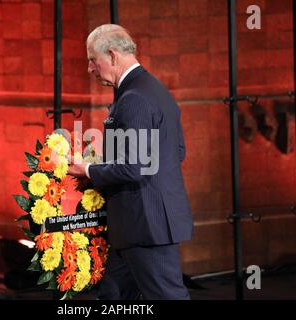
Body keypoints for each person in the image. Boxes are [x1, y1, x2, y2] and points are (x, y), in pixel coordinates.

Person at [68, 24, 193, 300]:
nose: (90, 68)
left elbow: (133, 167)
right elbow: (177, 152)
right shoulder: (154, 90)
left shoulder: (134, 99)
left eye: (92, 59)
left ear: (112, 56)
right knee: (113, 296)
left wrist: (86, 168)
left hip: (146, 226)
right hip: (138, 225)